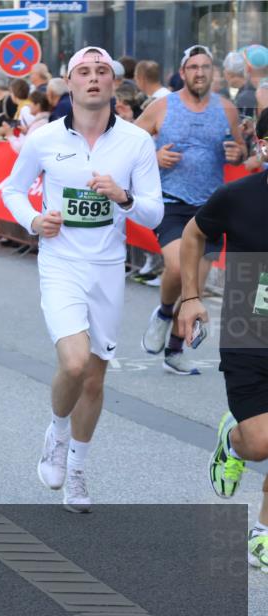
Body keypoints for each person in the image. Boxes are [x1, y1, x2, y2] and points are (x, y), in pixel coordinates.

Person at [1, 46, 163, 513]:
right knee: (74, 365)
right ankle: (56, 431)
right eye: (82, 72)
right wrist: (34, 221)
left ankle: (77, 467)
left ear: (114, 83)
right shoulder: (43, 138)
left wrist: (124, 197)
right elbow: (12, 189)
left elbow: (155, 214)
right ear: (69, 84)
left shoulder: (135, 142)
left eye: (101, 72)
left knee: (94, 380)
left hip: (109, 269)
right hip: (61, 264)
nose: (93, 79)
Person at [179, 107, 268, 573]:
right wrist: (190, 297)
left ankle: (263, 534)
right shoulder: (236, 196)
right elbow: (194, 236)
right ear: (263, 147)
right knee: (261, 443)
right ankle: (232, 442)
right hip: (248, 331)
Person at [136, 45, 247, 375]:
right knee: (175, 266)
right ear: (183, 72)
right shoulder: (161, 107)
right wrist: (154, 157)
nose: (200, 72)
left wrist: (237, 154)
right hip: (171, 202)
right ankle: (163, 312)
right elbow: (130, 143)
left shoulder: (225, 108)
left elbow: (240, 148)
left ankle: (174, 350)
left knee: (194, 287)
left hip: (210, 207)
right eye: (193, 67)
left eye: (206, 67)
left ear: (212, 72)